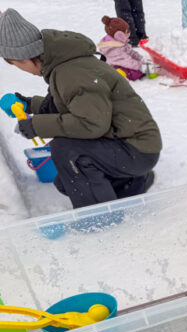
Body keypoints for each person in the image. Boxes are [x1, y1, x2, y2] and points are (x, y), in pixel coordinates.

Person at [0, 9, 162, 209]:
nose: (21, 69)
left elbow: (91, 123)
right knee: (65, 182)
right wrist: (29, 104)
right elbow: (68, 103)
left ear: (25, 58)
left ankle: (100, 218)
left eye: (17, 65)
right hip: (124, 142)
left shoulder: (71, 72)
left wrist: (36, 125)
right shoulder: (63, 65)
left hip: (136, 148)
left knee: (67, 152)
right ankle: (132, 183)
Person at [98, 15, 144, 81]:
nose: (129, 34)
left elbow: (130, 52)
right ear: (119, 35)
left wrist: (141, 59)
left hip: (120, 63)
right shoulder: (114, 48)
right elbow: (126, 60)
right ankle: (118, 74)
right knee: (135, 74)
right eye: (127, 32)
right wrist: (140, 66)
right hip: (112, 67)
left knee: (138, 70)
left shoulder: (120, 42)